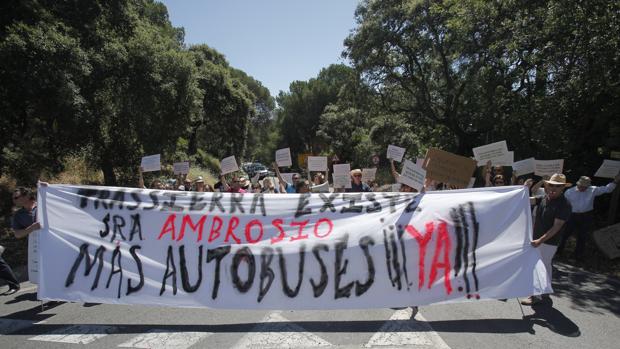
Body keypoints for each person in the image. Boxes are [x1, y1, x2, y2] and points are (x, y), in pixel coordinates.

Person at [521, 173, 572, 306]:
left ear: (563, 188)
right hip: (538, 239)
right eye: (551, 185)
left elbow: (557, 227)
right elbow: (528, 200)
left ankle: (535, 296)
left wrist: (540, 240)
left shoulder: (564, 204)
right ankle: (544, 289)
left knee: (539, 266)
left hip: (548, 242)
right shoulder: (545, 197)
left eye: (557, 186)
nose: (553, 188)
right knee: (545, 265)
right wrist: (524, 188)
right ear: (547, 185)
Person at [557, 172, 620, 261]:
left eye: (585, 187)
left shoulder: (592, 190)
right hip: (571, 215)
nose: (583, 188)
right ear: (578, 184)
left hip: (586, 216)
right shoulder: (569, 192)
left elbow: (607, 189)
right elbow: (563, 205)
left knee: (582, 236)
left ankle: (578, 257)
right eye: (582, 186)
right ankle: (558, 253)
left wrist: (615, 181)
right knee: (564, 234)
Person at [4, 187, 42, 294]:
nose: (14, 200)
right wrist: (31, 228)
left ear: (27, 196)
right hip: (37, 247)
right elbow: (17, 234)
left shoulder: (43, 205)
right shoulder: (18, 215)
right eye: (13, 198)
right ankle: (50, 293)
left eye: (16, 197)